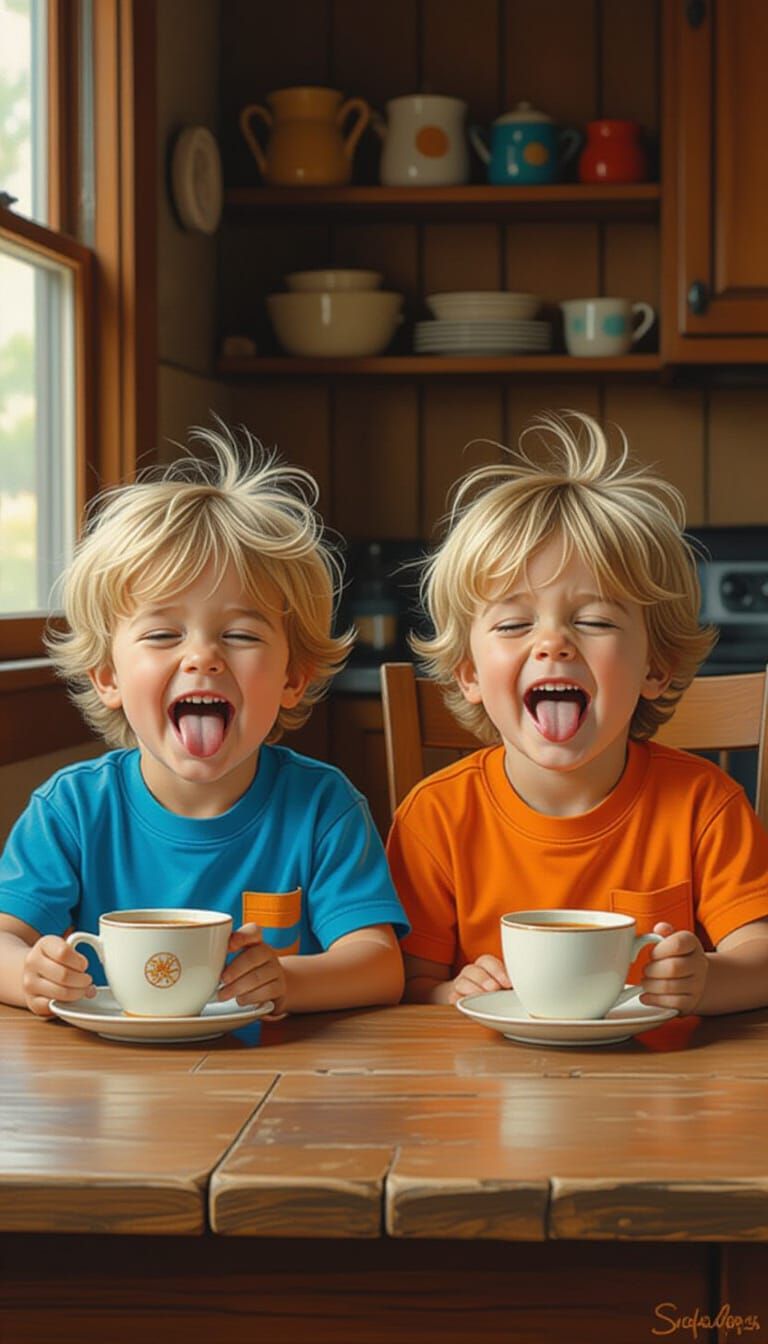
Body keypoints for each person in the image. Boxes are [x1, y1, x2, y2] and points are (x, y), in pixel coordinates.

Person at [0, 424, 407, 1017]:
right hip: (114, 1090)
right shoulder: (71, 811)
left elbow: (379, 963)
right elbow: (4, 939)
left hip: (281, 1086)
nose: (202, 657)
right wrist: (29, 976)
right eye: (164, 634)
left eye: (240, 634)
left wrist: (289, 982)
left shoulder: (323, 807)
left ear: (293, 677)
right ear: (107, 677)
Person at [387, 410, 768, 1014]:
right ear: (468, 674)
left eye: (593, 621)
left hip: (660, 1095)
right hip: (480, 1099)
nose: (552, 643)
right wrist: (447, 992)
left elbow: (761, 959)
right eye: (514, 623)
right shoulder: (435, 818)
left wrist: (709, 981)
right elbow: (402, 985)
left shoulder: (705, 806)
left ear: (654, 668)